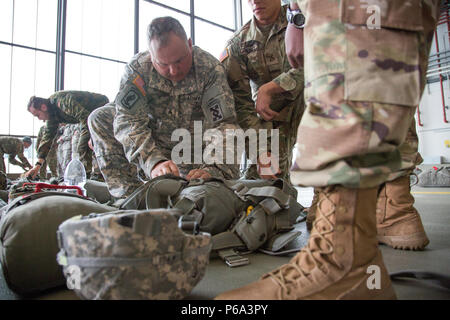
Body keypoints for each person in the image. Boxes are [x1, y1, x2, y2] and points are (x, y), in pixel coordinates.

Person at [216, 0, 441, 300]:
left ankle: (357, 239)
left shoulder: (296, 17)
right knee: (374, 49)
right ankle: (357, 238)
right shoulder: (239, 43)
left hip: (305, 96)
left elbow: (331, 59)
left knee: (363, 53)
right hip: (277, 116)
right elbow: (241, 102)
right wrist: (261, 147)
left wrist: (296, 25)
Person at [88, 16, 241, 199]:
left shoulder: (209, 69)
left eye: (179, 61)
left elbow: (224, 125)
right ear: (151, 57)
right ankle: (132, 197)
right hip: (156, 151)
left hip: (196, 156)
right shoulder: (138, 70)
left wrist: (213, 169)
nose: (174, 71)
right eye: (163, 64)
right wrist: (152, 161)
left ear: (189, 45)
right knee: (100, 117)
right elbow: (128, 121)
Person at [220, 0, 304, 180]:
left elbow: (323, 63)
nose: (255, 1)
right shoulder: (238, 44)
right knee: (263, 178)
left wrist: (271, 88)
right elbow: (241, 105)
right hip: (274, 114)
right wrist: (260, 153)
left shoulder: (300, 19)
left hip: (316, 101)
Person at [25, 91, 109, 179]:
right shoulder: (52, 115)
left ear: (43, 107)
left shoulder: (62, 102)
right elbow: (47, 139)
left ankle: (87, 178)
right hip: (88, 117)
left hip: (100, 108)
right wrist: (37, 166)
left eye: (38, 115)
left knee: (83, 146)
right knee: (85, 145)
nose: (40, 119)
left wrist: (90, 137)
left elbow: (85, 117)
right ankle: (88, 177)